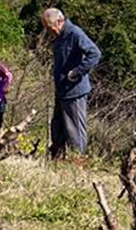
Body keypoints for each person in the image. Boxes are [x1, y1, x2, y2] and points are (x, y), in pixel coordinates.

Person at [41, 8, 102, 159]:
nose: (50, 32)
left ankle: (78, 162)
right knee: (57, 128)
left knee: (75, 131)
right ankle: (57, 161)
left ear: (60, 21)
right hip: (61, 90)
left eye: (51, 28)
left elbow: (94, 54)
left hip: (75, 91)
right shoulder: (59, 36)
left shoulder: (75, 33)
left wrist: (77, 72)